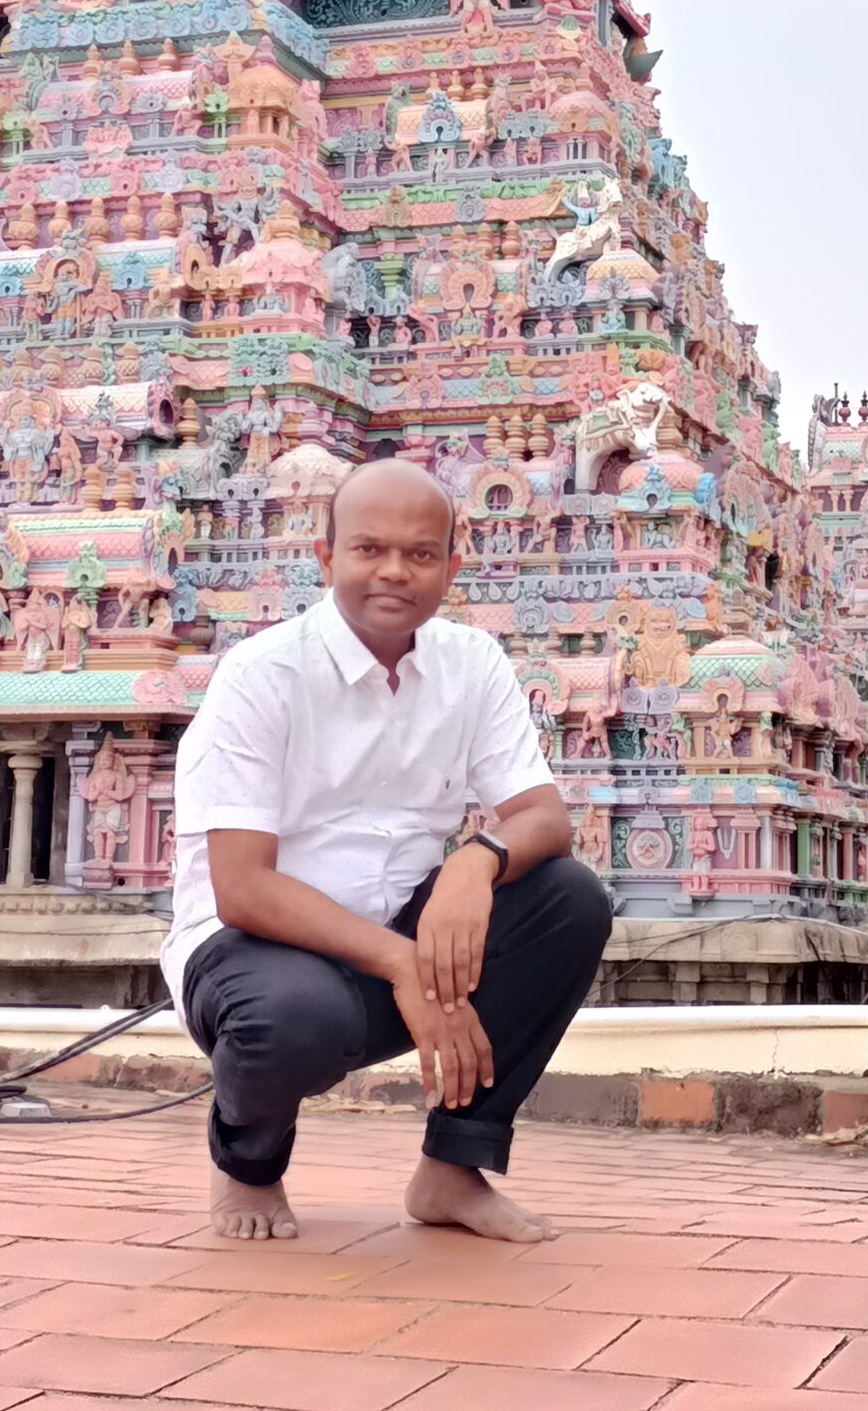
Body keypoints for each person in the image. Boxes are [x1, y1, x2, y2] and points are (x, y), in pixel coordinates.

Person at [163, 457, 611, 1244]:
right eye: (369, 550)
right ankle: (249, 1164)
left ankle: (453, 1169)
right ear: (326, 555)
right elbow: (242, 888)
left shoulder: (470, 665)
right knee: (290, 1016)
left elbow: (542, 813)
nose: (395, 573)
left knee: (567, 900)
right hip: (258, 953)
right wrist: (404, 964)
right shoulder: (260, 676)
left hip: (406, 930)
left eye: (420, 553)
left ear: (451, 565)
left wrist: (478, 863)